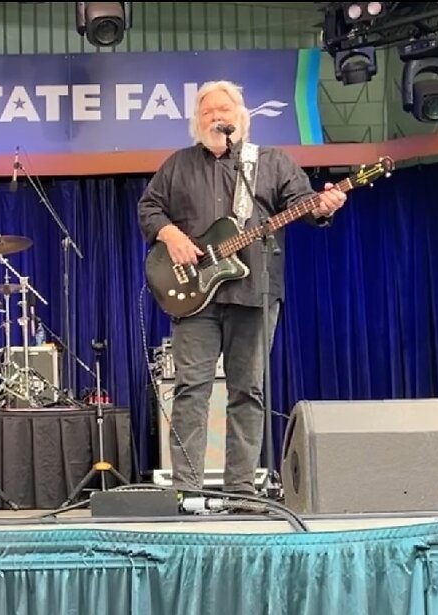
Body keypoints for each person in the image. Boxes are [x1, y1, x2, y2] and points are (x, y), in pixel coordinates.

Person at [137, 80, 347, 499]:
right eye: (209, 112)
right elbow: (148, 207)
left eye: (225, 111)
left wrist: (323, 207)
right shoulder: (177, 165)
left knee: (247, 391)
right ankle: (186, 491)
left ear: (241, 117)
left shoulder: (270, 163)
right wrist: (170, 234)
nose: (218, 117)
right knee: (191, 389)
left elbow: (303, 203)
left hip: (254, 292)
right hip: (194, 298)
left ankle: (240, 491)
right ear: (197, 122)